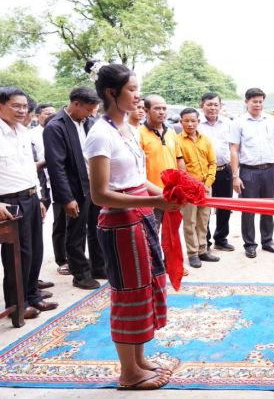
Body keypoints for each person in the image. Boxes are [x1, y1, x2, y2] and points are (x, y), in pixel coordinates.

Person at [84, 60, 177, 390]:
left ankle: (139, 360)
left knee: (146, 287)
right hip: (121, 224)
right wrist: (155, 201)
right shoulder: (100, 135)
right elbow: (100, 194)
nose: (139, 97)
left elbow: (137, 180)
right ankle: (129, 374)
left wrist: (166, 195)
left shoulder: (129, 129)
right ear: (112, 93)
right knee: (129, 294)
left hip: (141, 217)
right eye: (133, 90)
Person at [44, 86, 107, 290]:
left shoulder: (90, 122)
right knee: (76, 233)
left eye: (93, 110)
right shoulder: (55, 126)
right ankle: (80, 274)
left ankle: (99, 267)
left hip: (95, 185)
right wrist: (66, 198)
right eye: (88, 109)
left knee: (98, 228)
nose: (90, 114)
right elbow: (56, 166)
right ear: (76, 103)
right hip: (74, 188)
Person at [0, 86, 53, 321]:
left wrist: (39, 197)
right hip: (9, 201)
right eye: (16, 106)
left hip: (30, 197)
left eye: (24, 106)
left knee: (34, 250)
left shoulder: (23, 131)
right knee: (17, 255)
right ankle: (17, 304)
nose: (22, 110)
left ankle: (32, 295)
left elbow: (29, 169)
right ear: (1, 106)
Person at [231, 88, 274, 258]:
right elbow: (234, 149)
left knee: (268, 207)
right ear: (246, 102)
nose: (258, 104)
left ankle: (267, 241)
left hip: (269, 170)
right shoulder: (239, 122)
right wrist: (235, 176)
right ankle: (250, 244)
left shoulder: (272, 120)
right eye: (254, 101)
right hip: (248, 171)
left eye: (261, 101)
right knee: (248, 210)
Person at [178, 108, 219, 269]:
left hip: (205, 187)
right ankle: (192, 253)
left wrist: (207, 184)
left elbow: (212, 163)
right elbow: (179, 167)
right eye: (186, 121)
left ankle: (203, 250)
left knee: (203, 220)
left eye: (193, 121)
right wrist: (192, 185)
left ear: (198, 121)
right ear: (181, 122)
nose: (190, 124)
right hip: (188, 189)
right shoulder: (177, 141)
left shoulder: (205, 139)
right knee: (190, 221)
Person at [138, 95, 186, 228]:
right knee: (151, 234)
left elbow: (179, 159)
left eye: (164, 109)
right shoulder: (138, 134)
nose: (162, 112)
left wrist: (182, 185)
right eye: (157, 108)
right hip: (151, 197)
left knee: (171, 234)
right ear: (146, 111)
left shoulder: (171, 133)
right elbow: (136, 170)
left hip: (172, 195)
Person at [199, 92, 235, 251]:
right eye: (209, 105)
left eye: (216, 105)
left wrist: (234, 171)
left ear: (220, 106)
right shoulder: (197, 123)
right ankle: (204, 241)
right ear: (202, 106)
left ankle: (221, 239)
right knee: (204, 208)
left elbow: (233, 147)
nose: (213, 108)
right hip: (204, 173)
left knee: (224, 206)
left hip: (224, 170)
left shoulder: (227, 123)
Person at [30, 103, 56, 210]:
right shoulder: (30, 134)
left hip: (55, 175)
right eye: (48, 114)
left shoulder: (58, 131)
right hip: (39, 176)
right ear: (37, 116)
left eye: (54, 114)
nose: (52, 116)